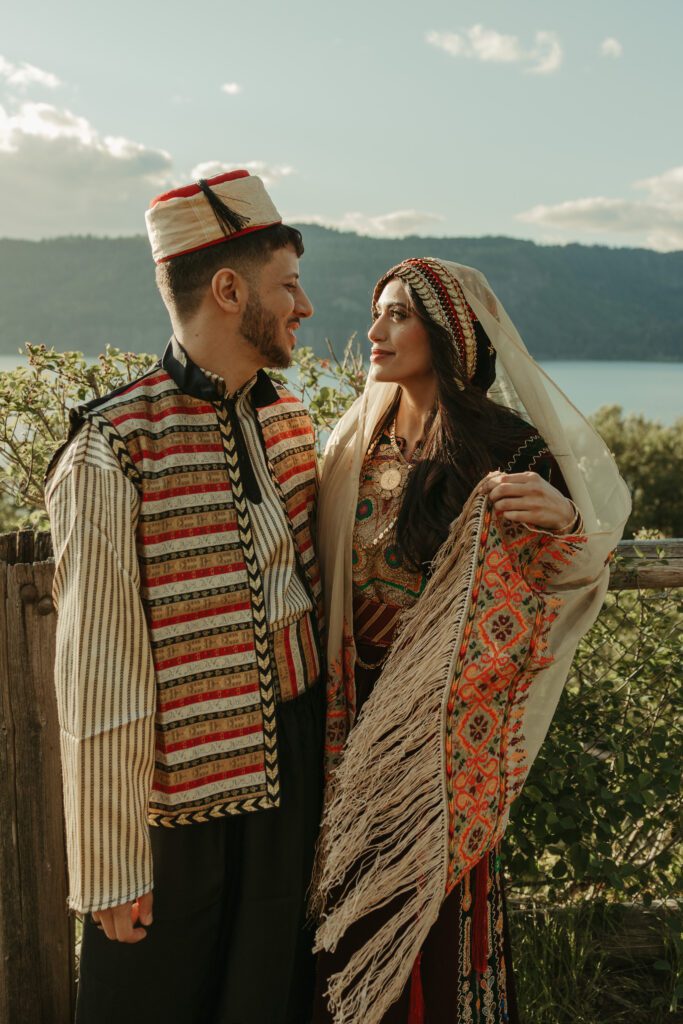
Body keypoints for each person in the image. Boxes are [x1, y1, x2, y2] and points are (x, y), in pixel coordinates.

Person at [312, 257, 631, 1024]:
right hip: (345, 724)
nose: (376, 330)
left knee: (435, 922)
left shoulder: (508, 449)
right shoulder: (354, 447)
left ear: (449, 336)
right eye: (375, 311)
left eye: (398, 315)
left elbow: (566, 573)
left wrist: (561, 522)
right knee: (341, 917)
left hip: (445, 742)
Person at [45, 169, 324, 1024]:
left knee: (269, 996)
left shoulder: (287, 418)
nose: (304, 306)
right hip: (179, 805)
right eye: (287, 286)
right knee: (156, 997)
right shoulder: (112, 446)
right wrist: (110, 863)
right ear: (229, 290)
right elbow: (97, 670)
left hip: (294, 766)